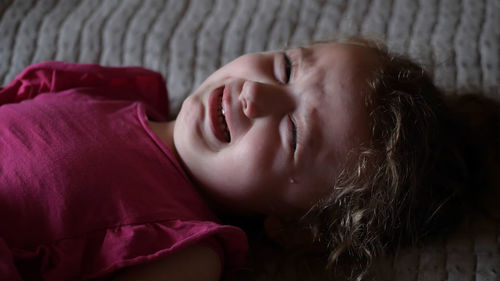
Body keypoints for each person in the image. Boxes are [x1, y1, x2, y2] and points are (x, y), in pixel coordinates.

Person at [0, 37, 497, 281]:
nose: (253, 96)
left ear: (297, 225)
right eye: (284, 68)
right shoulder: (110, 91)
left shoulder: (187, 251)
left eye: (293, 133)